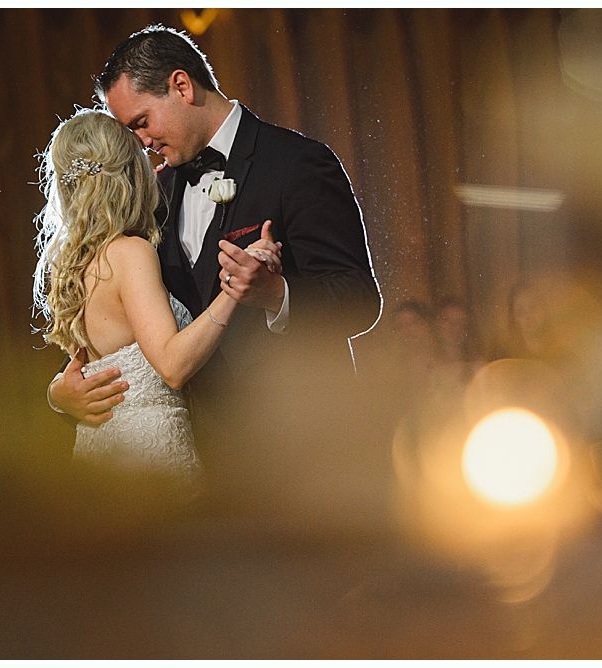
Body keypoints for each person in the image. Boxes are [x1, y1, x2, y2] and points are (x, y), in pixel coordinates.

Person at [47, 25, 382, 512]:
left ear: (182, 86)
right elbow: (126, 319)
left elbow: (359, 300)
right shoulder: (154, 194)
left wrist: (276, 295)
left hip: (292, 455)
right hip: (197, 466)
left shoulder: (297, 164)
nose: (141, 142)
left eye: (142, 122)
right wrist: (61, 393)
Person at [33, 108, 281, 492]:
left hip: (100, 448)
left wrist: (55, 394)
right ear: (130, 174)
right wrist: (236, 285)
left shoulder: (73, 262)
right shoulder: (129, 252)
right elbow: (173, 365)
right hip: (148, 455)